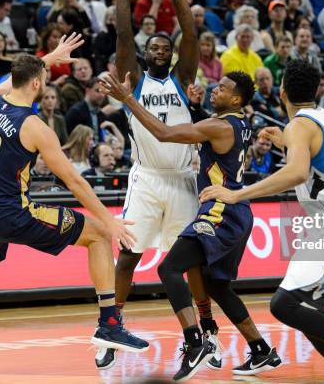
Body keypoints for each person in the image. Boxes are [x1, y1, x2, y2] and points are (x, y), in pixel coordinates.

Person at [0, 33, 139, 383]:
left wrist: (50, 57)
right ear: (36, 83)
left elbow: (21, 76)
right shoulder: (35, 127)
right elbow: (75, 183)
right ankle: (109, 323)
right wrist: (110, 221)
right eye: (44, 77)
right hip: (11, 213)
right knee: (95, 236)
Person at [101, 68, 281, 380]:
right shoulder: (241, 121)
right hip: (240, 212)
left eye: (222, 89)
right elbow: (212, 134)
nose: (215, 89)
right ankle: (261, 349)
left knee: (168, 269)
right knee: (217, 285)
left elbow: (165, 134)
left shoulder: (220, 125)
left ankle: (195, 343)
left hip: (220, 213)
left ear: (236, 99)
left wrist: (129, 99)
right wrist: (197, 109)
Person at [200, 59, 324, 370]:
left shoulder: (299, 126)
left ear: (281, 92)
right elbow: (318, 158)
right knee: (307, 312)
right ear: (315, 89)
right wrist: (286, 143)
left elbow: (295, 173)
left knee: (284, 304)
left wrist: (237, 193)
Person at [92, 0, 202, 369]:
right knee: (128, 257)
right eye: (152, 45)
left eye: (164, 47)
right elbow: (123, 33)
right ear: (145, 54)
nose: (159, 48)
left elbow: (190, 34)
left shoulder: (182, 76)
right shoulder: (132, 80)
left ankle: (202, 331)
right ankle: (111, 326)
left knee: (191, 262)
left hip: (183, 181)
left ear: (172, 57)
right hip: (147, 179)